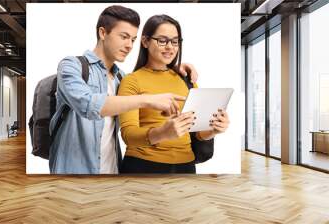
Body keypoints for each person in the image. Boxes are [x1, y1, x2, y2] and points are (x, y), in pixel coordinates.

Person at [49, 6, 199, 174]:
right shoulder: (71, 66)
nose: (129, 46)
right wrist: (149, 99)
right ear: (103, 33)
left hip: (113, 169)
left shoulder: (121, 78)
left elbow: (149, 79)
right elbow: (88, 105)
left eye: (133, 40)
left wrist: (174, 68)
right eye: (124, 37)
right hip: (74, 170)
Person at [118, 14, 230, 174]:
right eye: (162, 40)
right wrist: (162, 133)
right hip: (143, 166)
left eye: (175, 41)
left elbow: (197, 133)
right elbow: (128, 135)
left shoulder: (187, 80)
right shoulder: (132, 81)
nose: (170, 47)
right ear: (145, 41)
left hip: (186, 166)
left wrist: (213, 130)